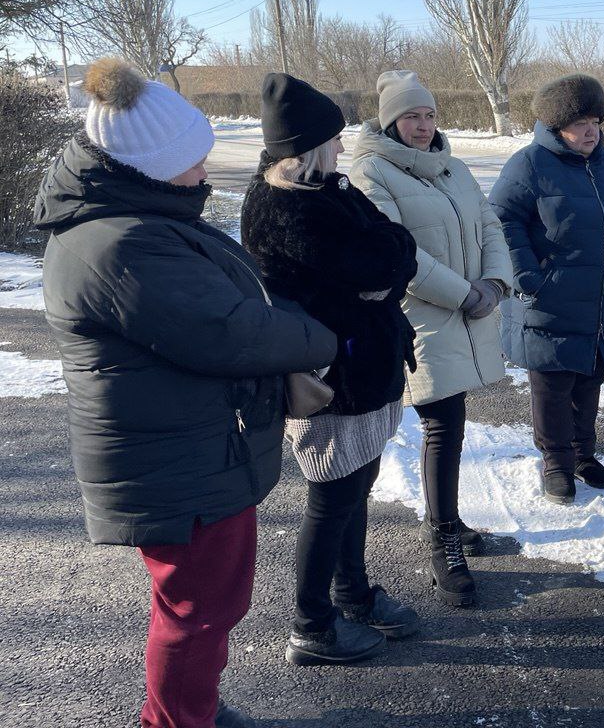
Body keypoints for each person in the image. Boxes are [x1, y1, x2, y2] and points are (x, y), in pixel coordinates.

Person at [34, 59, 336, 728]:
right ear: (149, 165)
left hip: (186, 447)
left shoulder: (132, 215)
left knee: (196, 608)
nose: (204, 171)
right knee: (198, 613)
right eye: (192, 161)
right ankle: (175, 719)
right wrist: (325, 336)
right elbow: (229, 332)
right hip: (178, 461)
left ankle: (186, 706)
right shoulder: (120, 243)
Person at [240, 73, 422, 667]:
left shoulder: (326, 186)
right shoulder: (283, 205)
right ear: (309, 145)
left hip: (364, 368)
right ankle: (312, 626)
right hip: (331, 381)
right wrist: (380, 271)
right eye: (334, 138)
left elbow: (398, 246)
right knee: (332, 498)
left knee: (356, 488)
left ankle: (353, 594)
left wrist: (384, 268)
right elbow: (376, 263)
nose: (343, 147)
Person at [349, 70, 513, 607]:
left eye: (429, 115)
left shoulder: (452, 167)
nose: (423, 126)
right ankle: (443, 540)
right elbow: (399, 254)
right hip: (421, 315)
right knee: (441, 424)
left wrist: (494, 281)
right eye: (411, 117)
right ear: (390, 121)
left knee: (454, 422)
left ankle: (449, 517)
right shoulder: (371, 172)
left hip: (470, 306)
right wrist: (464, 294)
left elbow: (490, 226)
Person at [490, 74, 604, 505]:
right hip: (549, 297)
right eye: (580, 123)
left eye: (595, 122)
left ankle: (583, 455)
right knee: (553, 383)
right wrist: (528, 276)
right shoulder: (529, 165)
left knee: (590, 378)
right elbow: (501, 221)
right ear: (557, 126)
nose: (591, 131)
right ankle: (556, 463)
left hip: (603, 296)